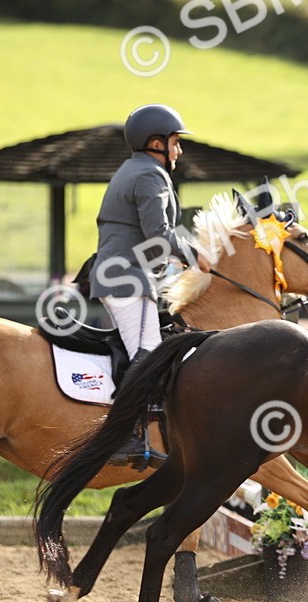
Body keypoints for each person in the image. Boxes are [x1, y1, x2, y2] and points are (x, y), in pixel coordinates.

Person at [93, 103, 194, 468]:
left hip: (124, 273)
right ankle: (121, 437)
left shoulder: (135, 169)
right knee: (149, 350)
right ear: (155, 142)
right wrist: (197, 254)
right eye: (175, 142)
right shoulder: (151, 175)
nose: (179, 150)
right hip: (126, 278)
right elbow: (159, 234)